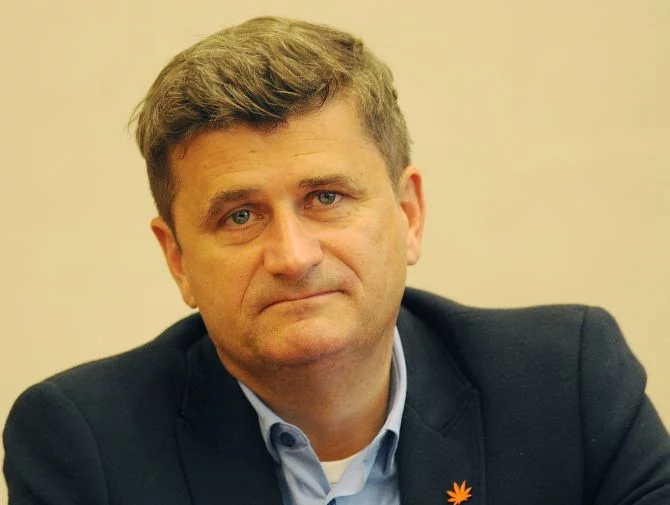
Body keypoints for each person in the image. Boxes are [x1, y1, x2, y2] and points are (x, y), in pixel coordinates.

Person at [3, 16, 669, 505]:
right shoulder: (83, 447)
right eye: (240, 216)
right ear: (177, 258)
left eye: (326, 198)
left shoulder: (567, 387)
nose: (293, 257)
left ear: (408, 215)